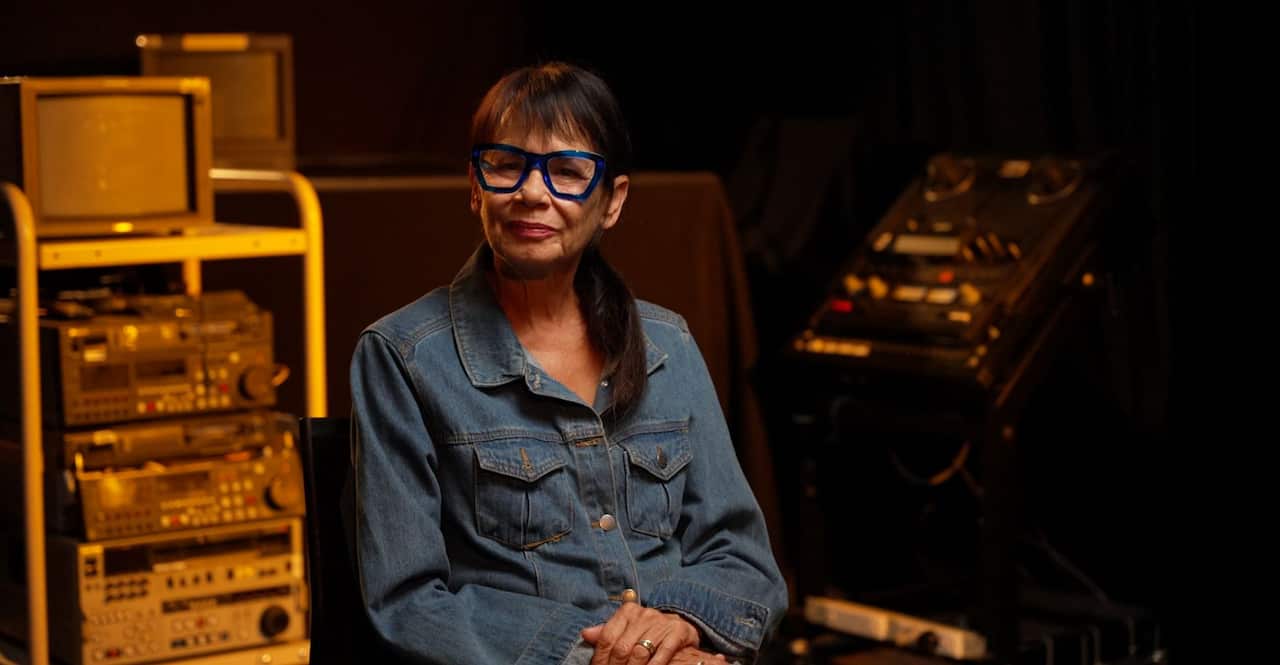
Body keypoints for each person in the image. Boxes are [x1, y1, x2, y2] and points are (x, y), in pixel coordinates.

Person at [349, 61, 788, 665]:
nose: (533, 193)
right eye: (507, 164)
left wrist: (677, 631)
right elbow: (408, 603)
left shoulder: (669, 345)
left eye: (567, 171)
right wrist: (606, 658)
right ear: (475, 186)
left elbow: (743, 558)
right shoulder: (401, 357)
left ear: (612, 202)